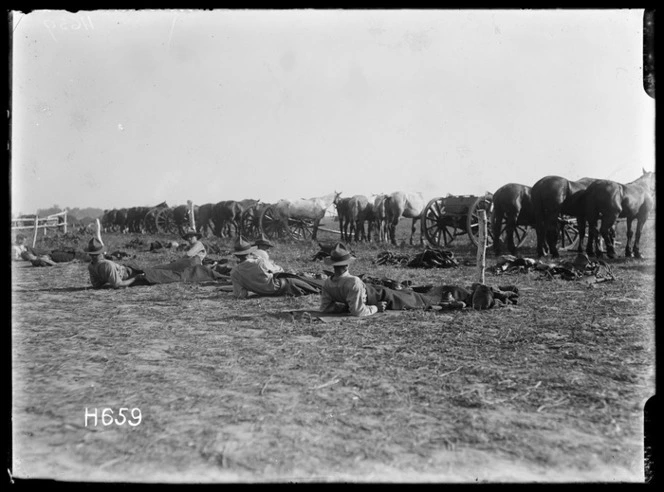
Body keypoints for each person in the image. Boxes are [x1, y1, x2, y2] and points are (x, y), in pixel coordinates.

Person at [319, 243, 438, 317]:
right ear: (347, 265)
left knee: (403, 293)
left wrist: (344, 307)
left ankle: (426, 297)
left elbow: (325, 308)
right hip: (378, 295)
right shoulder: (353, 282)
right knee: (408, 298)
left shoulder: (328, 283)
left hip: (371, 291)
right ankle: (433, 300)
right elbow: (358, 312)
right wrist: (376, 307)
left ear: (333, 265)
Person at [230, 236, 322, 298]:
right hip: (283, 286)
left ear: (236, 255)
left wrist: (256, 289)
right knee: (316, 287)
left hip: (265, 293)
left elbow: (240, 294)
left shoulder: (234, 273)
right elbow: (279, 270)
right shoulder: (259, 262)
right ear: (250, 252)